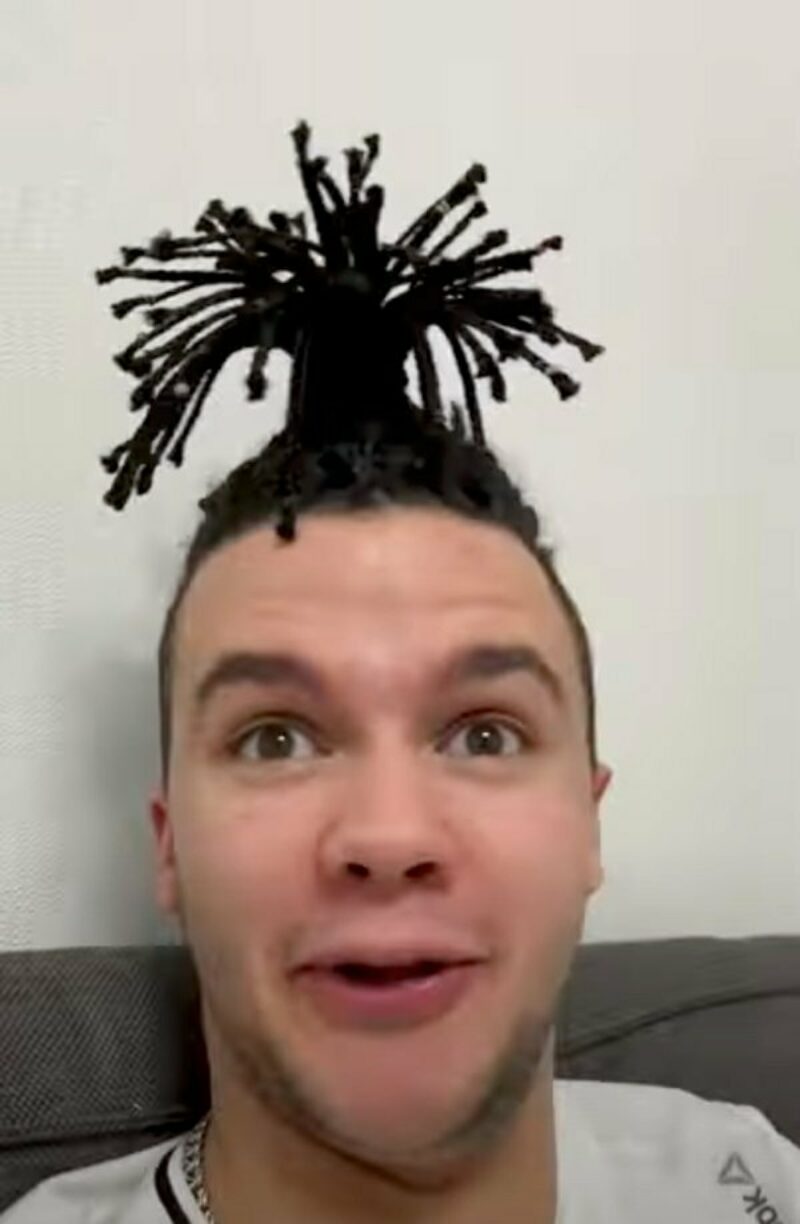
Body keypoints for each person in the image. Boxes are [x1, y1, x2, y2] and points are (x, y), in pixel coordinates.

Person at [4, 124, 799, 1224]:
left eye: (484, 732)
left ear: (589, 823)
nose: (387, 836)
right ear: (170, 848)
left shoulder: (744, 1172)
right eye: (274, 737)